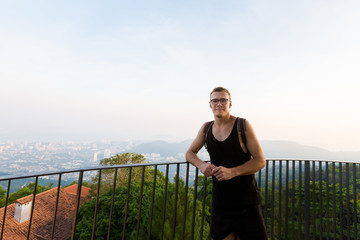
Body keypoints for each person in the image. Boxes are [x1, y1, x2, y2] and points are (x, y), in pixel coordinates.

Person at [185, 87, 268, 240]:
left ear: (230, 103)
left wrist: (232, 172)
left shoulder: (242, 126)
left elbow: (260, 161)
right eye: (215, 100)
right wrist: (202, 165)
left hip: (247, 203)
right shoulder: (206, 128)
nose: (219, 104)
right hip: (221, 204)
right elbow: (189, 154)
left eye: (223, 100)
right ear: (210, 104)